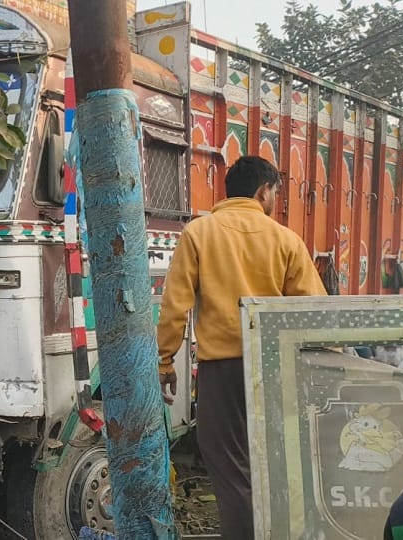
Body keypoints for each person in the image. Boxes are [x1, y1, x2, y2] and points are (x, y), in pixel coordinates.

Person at [156, 156, 327, 539]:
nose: (275, 202)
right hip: (277, 367)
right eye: (275, 193)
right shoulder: (286, 239)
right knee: (278, 468)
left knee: (232, 472)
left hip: (221, 373)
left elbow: (174, 305)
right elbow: (314, 311)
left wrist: (165, 361)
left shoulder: (199, 233)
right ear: (263, 191)